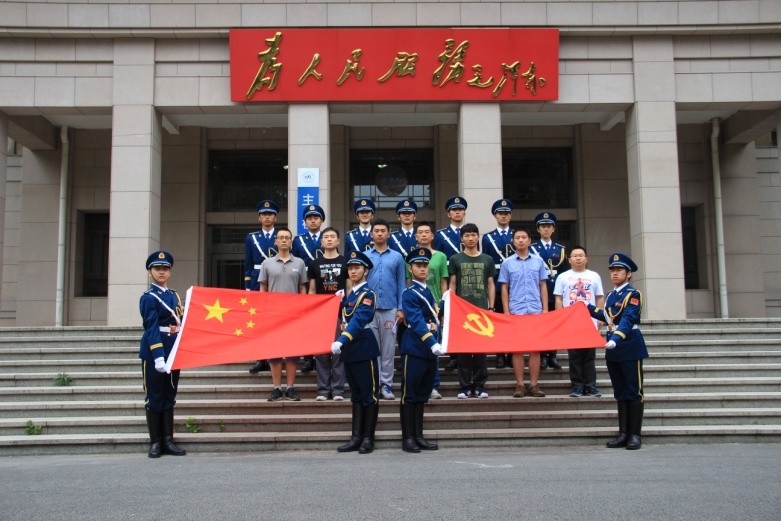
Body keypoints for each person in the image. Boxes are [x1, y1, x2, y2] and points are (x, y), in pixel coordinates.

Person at [587, 253, 649, 450]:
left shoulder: (633, 294)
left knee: (633, 391)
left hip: (629, 345)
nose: (614, 273)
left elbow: (628, 319)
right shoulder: (611, 295)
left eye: (619, 270)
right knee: (620, 391)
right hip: (614, 348)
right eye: (612, 270)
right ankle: (623, 433)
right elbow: (608, 317)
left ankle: (635, 434)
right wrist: (587, 307)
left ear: (628, 274)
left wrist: (616, 338)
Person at [331, 251, 381, 454]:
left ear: (365, 271)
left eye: (357, 268)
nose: (353, 271)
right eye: (350, 268)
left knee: (369, 395)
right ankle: (356, 437)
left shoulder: (368, 294)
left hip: (363, 347)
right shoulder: (350, 295)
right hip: (350, 350)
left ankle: (368, 438)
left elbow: (359, 321)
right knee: (356, 395)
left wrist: (341, 340)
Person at [139, 250, 186, 458]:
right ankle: (155, 442)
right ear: (150, 272)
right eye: (157, 268)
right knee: (154, 396)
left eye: (165, 269)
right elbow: (151, 328)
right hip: (155, 352)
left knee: (169, 396)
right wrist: (158, 355)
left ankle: (168, 440)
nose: (162, 272)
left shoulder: (174, 296)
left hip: (173, 350)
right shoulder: (148, 298)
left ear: (170, 272)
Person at [400, 247, 445, 453]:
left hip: (428, 350)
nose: (423, 269)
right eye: (418, 265)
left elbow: (433, 316)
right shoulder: (409, 293)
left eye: (425, 265)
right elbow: (416, 321)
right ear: (411, 269)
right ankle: (408, 437)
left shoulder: (428, 292)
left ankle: (419, 435)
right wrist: (432, 342)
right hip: (415, 347)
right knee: (410, 394)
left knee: (422, 394)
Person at [258, 227, 308, 401]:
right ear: (276, 241)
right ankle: (277, 388)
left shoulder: (299, 263)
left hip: (294, 315)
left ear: (291, 241)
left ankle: (291, 387)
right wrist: (263, 310)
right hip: (273, 314)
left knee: (293, 352)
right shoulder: (267, 263)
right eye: (281, 237)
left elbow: (302, 287)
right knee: (274, 352)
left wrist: (303, 308)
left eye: (287, 237)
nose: (284, 240)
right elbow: (263, 287)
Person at [498, 227, 549, 398]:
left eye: (524, 237)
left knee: (535, 349)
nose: (520, 240)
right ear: (513, 241)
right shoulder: (507, 263)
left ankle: (534, 384)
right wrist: (506, 311)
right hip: (516, 310)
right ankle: (520, 384)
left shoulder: (538, 261)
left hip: (535, 310)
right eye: (517, 238)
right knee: (517, 350)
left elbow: (543, 285)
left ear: (529, 241)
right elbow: (504, 288)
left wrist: (545, 309)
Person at [449, 223, 496, 399]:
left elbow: (491, 284)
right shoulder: (456, 259)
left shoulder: (487, 259)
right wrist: (452, 306)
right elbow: (453, 284)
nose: (470, 238)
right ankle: (465, 387)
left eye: (473, 235)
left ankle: (480, 386)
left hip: (482, 311)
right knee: (463, 352)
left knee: (481, 351)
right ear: (462, 239)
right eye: (467, 235)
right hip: (462, 312)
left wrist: (491, 307)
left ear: (478, 237)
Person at [553, 245, 605, 398]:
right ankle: (577, 387)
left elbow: (599, 297)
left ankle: (591, 386)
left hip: (590, 321)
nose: (578, 258)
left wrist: (600, 317)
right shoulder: (562, 277)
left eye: (581, 255)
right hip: (571, 321)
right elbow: (558, 298)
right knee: (574, 356)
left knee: (589, 356)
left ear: (586, 258)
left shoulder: (594, 276)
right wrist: (560, 318)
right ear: (569, 260)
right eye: (575, 256)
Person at [364, 218, 406, 400]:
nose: (380, 233)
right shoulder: (365, 256)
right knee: (372, 349)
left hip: (390, 309)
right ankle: (374, 383)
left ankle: (386, 385)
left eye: (383, 230)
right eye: (377, 231)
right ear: (371, 234)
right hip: (369, 310)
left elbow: (401, 283)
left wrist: (401, 308)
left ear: (389, 234)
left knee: (388, 350)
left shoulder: (397, 257)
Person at [406, 222, 448, 399]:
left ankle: (434, 385)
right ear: (416, 236)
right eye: (420, 232)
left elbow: (443, 282)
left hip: (435, 306)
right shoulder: (410, 259)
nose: (423, 267)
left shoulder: (440, 257)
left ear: (432, 236)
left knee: (434, 352)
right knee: (422, 349)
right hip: (418, 307)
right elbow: (408, 283)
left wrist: (443, 306)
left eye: (427, 232)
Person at [308, 227, 347, 401]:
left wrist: (347, 312)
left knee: (338, 352)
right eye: (326, 237)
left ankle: (337, 390)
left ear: (338, 241)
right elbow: (312, 290)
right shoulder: (314, 264)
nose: (329, 239)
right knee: (321, 353)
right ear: (321, 241)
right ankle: (323, 390)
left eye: (332, 236)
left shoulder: (345, 262)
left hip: (340, 313)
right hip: (321, 315)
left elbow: (349, 288)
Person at [530, 211, 569, 371]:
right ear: (538, 229)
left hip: (555, 293)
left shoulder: (560, 249)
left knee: (554, 326)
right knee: (540, 326)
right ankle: (543, 355)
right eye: (543, 226)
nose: (546, 229)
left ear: (553, 229)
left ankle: (553, 354)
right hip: (537, 293)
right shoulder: (532, 249)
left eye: (549, 226)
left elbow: (565, 274)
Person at [246, 199, 279, 375]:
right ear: (259, 218)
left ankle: (276, 354)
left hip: (276, 279)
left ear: (275, 217)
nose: (267, 217)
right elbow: (248, 263)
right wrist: (248, 287)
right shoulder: (252, 238)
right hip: (257, 280)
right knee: (259, 321)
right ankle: (261, 358)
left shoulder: (281, 236)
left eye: (270, 214)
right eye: (264, 214)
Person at [292, 204, 326, 374]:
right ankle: (308, 358)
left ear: (322, 220)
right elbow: (295, 264)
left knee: (323, 321)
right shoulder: (298, 241)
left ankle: (323, 354)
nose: (313, 221)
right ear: (305, 222)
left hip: (325, 282)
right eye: (309, 218)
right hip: (305, 283)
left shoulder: (327, 237)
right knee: (306, 322)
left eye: (316, 218)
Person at [481, 198, 515, 369]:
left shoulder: (516, 235)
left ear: (510, 215)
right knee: (498, 319)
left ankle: (512, 353)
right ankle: (500, 354)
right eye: (500, 213)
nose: (503, 216)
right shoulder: (488, 238)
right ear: (495, 215)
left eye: (506, 213)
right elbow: (487, 262)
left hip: (514, 283)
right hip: (496, 282)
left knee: (513, 320)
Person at [435, 195, 467, 371]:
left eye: (460, 209)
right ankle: (454, 355)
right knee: (450, 319)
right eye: (454, 210)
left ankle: (465, 353)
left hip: (466, 280)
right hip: (449, 280)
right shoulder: (441, 235)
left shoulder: (470, 233)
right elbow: (439, 259)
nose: (457, 212)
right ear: (448, 214)